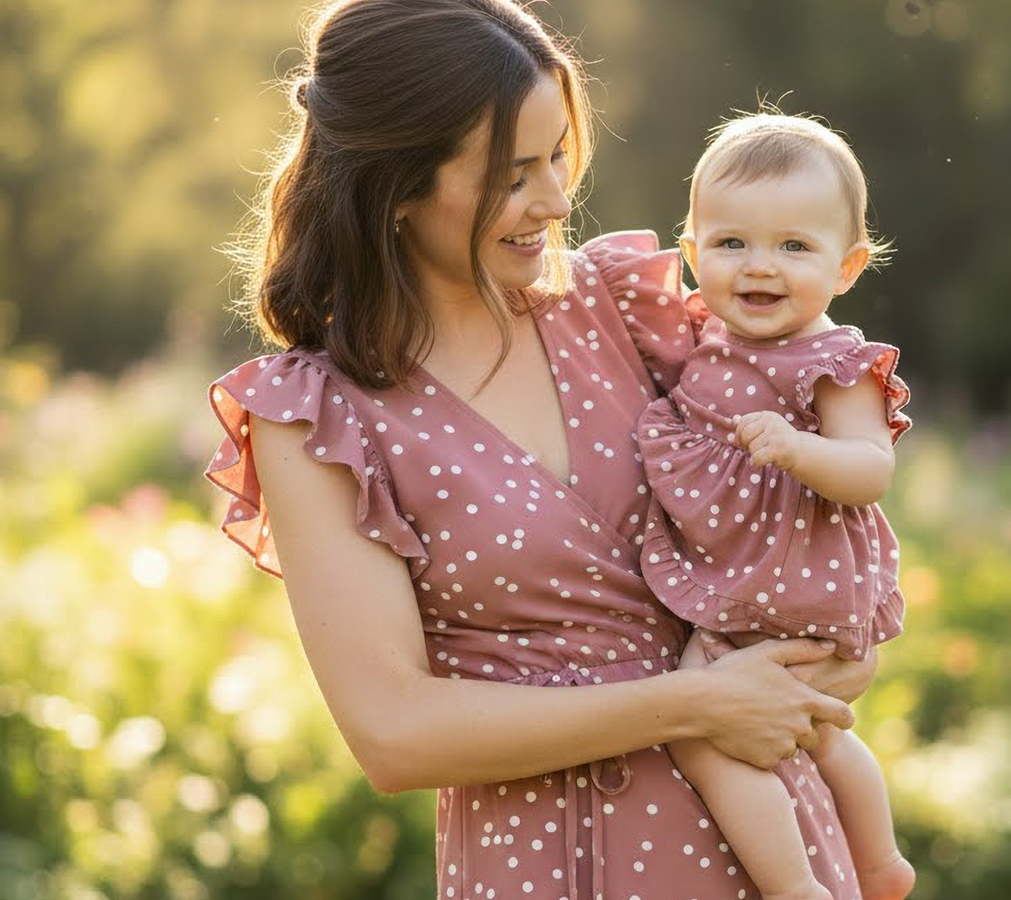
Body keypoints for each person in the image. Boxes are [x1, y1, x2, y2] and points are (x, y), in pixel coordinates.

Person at [204, 2, 879, 898]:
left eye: (557, 156)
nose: (557, 201)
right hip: (548, 865)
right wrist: (696, 704)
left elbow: (807, 459)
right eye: (513, 175)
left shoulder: (621, 306)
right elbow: (394, 734)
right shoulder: (318, 415)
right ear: (396, 186)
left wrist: (839, 644)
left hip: (775, 852)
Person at [628, 112, 916, 900]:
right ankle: (881, 865)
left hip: (790, 577)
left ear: (847, 267)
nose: (760, 266)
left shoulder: (834, 362)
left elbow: (871, 470)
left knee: (705, 731)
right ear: (693, 255)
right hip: (748, 569)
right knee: (817, 730)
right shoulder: (709, 334)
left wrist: (798, 450)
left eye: (794, 246)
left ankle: (793, 884)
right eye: (732, 243)